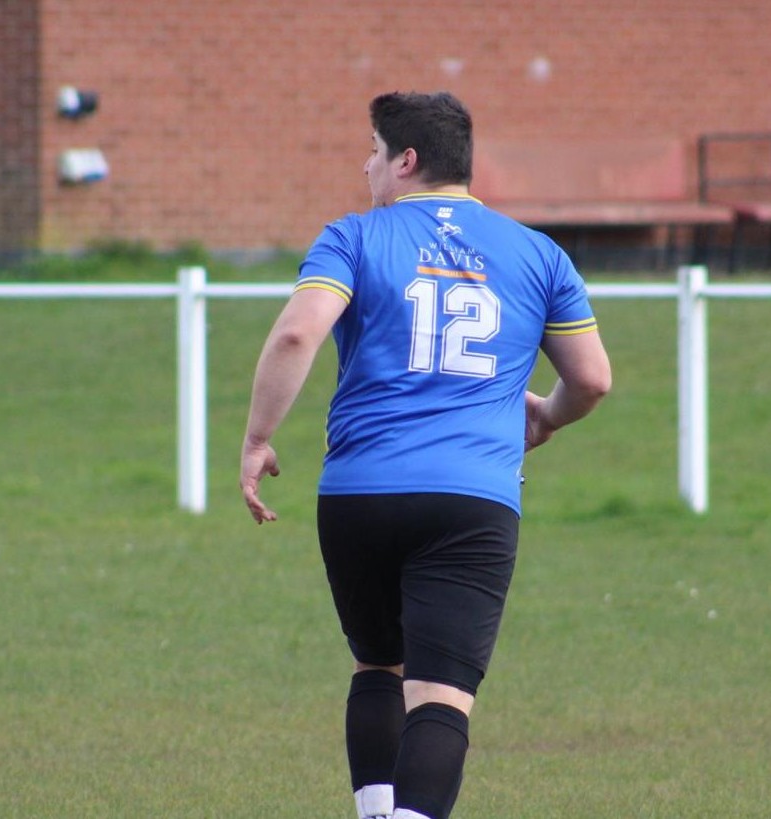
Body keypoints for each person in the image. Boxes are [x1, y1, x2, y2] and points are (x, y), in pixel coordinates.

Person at [239, 91, 611, 819]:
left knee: (378, 665)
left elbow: (294, 336)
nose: (366, 165)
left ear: (406, 161)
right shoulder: (538, 253)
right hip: (472, 499)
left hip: (359, 492)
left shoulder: (352, 238)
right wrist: (546, 418)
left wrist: (257, 438)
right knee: (441, 695)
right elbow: (592, 378)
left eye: (374, 151)